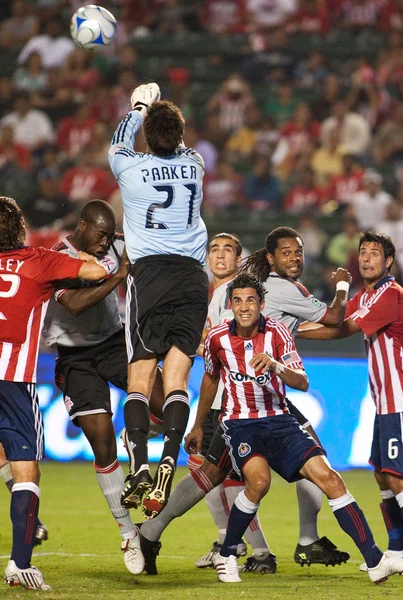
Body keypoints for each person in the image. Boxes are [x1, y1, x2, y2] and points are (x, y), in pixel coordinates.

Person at [138, 226, 353, 573]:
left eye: (298, 252)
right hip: (247, 400)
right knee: (310, 457)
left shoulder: (228, 294)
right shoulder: (274, 290)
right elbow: (333, 318)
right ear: (269, 258)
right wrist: (343, 286)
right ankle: (302, 542)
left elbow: (309, 329)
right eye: (287, 252)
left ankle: (151, 532)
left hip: (242, 397)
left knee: (211, 474)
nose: (295, 258)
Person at [186, 273, 403, 584]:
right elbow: (210, 378)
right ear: (230, 305)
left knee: (331, 480)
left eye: (250, 300)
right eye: (238, 301)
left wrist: (276, 366)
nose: (244, 307)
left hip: (281, 420)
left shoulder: (278, 333)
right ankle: (228, 554)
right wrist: (199, 424)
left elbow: (303, 381)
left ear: (261, 304)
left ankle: (376, 561)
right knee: (259, 482)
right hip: (241, 422)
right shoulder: (217, 339)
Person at [297, 231, 403, 577]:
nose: (366, 258)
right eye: (363, 252)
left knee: (396, 475)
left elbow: (341, 330)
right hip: (384, 402)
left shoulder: (391, 294)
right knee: (381, 473)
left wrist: (292, 331)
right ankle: (396, 550)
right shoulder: (367, 295)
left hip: (402, 398)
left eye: (374, 253)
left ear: (388, 261)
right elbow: (332, 318)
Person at [41, 199, 165, 574]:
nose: (105, 242)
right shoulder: (57, 258)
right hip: (75, 356)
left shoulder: (116, 243)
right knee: (100, 440)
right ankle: (128, 532)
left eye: (110, 236)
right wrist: (118, 275)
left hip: (115, 341)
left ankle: (139, 432)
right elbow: (75, 304)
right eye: (100, 235)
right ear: (81, 226)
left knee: (165, 404)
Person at [108, 83, 209, 517]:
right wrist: (162, 119)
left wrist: (138, 107)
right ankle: (170, 459)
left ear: (147, 136)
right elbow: (173, 141)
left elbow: (119, 141)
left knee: (139, 378)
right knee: (177, 381)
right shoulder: (196, 164)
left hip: (149, 276)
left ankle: (140, 466)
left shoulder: (128, 168)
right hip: (191, 277)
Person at [0, 196, 107, 590]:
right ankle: (20, 565)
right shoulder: (38, 260)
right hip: (12, 380)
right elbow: (94, 271)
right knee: (27, 472)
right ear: (19, 229)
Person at [194, 233, 275, 574]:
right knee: (207, 471)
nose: (220, 255)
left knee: (223, 477)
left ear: (239, 258)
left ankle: (252, 548)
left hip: (234, 401)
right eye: (214, 249)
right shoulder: (215, 297)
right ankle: (233, 540)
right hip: (220, 400)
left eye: (228, 249)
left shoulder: (236, 298)